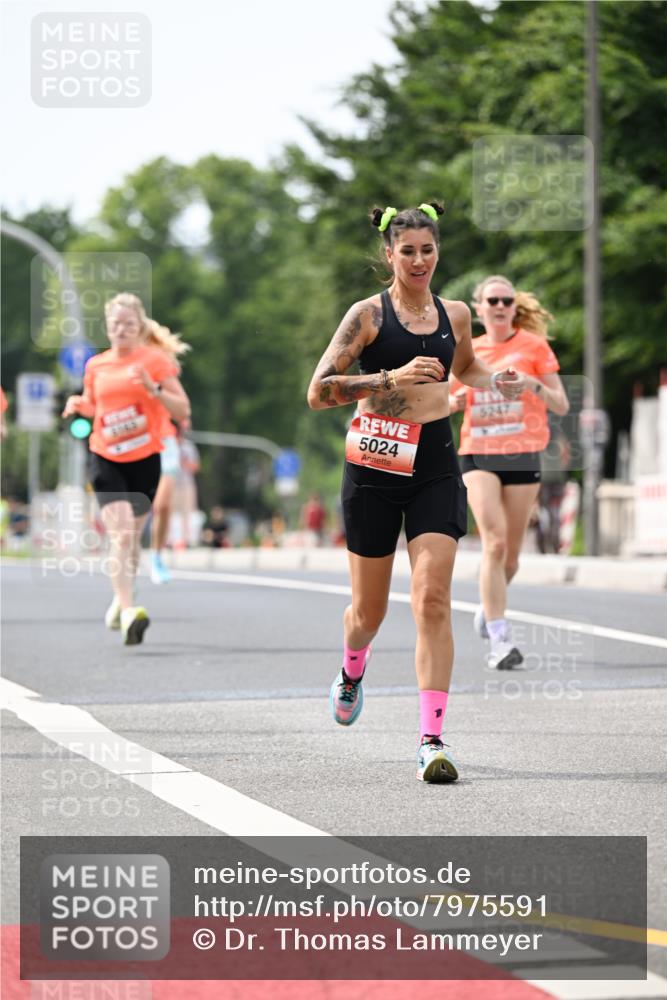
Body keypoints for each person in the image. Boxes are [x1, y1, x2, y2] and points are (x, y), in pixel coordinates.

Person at [307, 203, 525, 783]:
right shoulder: (367, 317)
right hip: (373, 467)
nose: (420, 260)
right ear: (390, 255)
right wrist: (388, 378)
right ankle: (353, 668)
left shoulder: (455, 313)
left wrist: (493, 381)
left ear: (437, 251)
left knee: (432, 600)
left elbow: (467, 368)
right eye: (408, 251)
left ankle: (431, 739)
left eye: (428, 250)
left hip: (432, 462)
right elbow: (319, 391)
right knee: (369, 612)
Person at [449, 275, 569, 669]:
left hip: (522, 455)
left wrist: (532, 384)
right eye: (492, 301)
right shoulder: (468, 351)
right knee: (495, 544)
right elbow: (447, 401)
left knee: (512, 559)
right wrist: (464, 394)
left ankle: (489, 608)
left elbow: (562, 405)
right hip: (478, 453)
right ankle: (500, 640)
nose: (500, 307)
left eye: (506, 300)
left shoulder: (534, 347)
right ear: (478, 308)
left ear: (514, 308)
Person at [62, 293, 190, 645]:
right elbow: (93, 405)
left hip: (144, 459)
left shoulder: (155, 361)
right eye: (115, 324)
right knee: (120, 535)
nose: (121, 329)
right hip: (105, 456)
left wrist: (155, 389)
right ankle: (131, 609)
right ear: (107, 326)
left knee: (131, 538)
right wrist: (79, 404)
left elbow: (181, 409)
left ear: (139, 327)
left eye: (129, 324)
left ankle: (120, 599)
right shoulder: (96, 365)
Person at [144, 328, 191, 583]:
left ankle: (157, 556)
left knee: (162, 504)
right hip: (137, 442)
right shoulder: (123, 369)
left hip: (165, 441)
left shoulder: (164, 368)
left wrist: (184, 420)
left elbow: (181, 405)